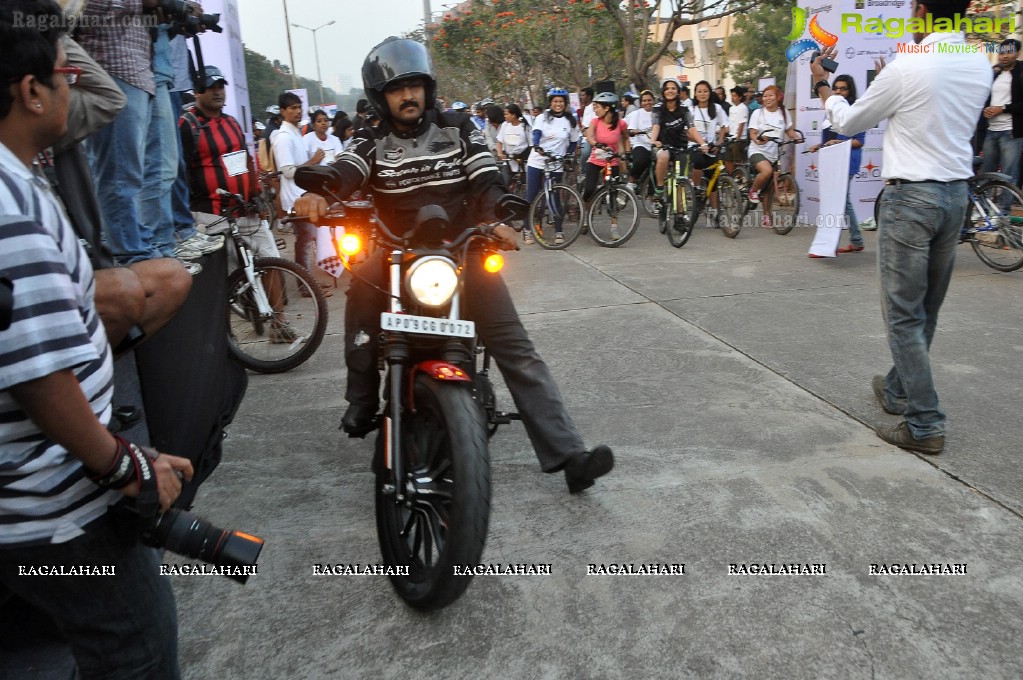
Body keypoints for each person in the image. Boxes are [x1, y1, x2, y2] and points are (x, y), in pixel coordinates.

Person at [295, 37, 613, 493]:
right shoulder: (370, 138)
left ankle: (570, 456)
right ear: (380, 97)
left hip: (461, 252)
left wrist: (503, 214)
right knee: (360, 298)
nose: (407, 96)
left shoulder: (459, 127)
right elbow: (346, 169)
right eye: (395, 89)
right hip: (394, 255)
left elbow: (486, 179)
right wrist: (319, 193)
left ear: (427, 87)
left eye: (413, 85)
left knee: (515, 347)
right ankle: (362, 398)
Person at [0, 3, 193, 677]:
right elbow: (39, 378)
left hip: (32, 502)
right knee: (134, 649)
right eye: (64, 74)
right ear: (30, 93)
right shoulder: (10, 205)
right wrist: (126, 467)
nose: (75, 85)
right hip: (55, 518)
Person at [812, 0, 989, 455]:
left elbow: (849, 120)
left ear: (922, 11)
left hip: (912, 198)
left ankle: (926, 423)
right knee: (925, 308)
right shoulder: (978, 63)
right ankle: (897, 390)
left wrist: (824, 86)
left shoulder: (908, 66)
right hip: (955, 196)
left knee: (904, 315)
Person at [271, 91, 330, 295]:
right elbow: (287, 171)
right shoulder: (283, 138)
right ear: (282, 111)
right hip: (295, 197)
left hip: (304, 194)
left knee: (309, 238)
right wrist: (312, 163)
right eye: (292, 108)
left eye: (298, 107)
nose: (297, 111)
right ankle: (305, 286)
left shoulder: (296, 134)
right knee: (305, 240)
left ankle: (308, 282)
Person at [806, 74, 867, 256]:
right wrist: (821, 145)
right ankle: (855, 240)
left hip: (846, 162)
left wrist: (838, 144)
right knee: (843, 201)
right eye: (836, 88)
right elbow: (830, 139)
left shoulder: (855, 110)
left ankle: (829, 245)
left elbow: (859, 141)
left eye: (843, 88)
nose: (839, 91)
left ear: (850, 91)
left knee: (840, 202)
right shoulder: (831, 109)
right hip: (832, 161)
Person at [523, 86, 581, 245]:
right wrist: (536, 145)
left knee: (555, 197)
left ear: (565, 103)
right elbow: (537, 133)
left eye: (561, 101)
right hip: (538, 160)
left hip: (556, 163)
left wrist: (568, 154)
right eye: (555, 101)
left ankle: (558, 231)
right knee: (532, 195)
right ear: (550, 103)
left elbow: (574, 141)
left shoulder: (571, 121)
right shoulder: (542, 117)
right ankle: (527, 229)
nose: (558, 104)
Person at [746, 84, 801, 228]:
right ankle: (752, 191)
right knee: (767, 171)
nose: (767, 98)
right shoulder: (758, 113)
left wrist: (796, 137)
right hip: (757, 151)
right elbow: (752, 133)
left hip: (775, 153)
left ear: (778, 97)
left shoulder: (783, 113)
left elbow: (789, 131)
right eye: (765, 95)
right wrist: (757, 139)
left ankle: (766, 217)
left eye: (771, 95)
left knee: (770, 187)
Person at [979, 38, 1023, 208]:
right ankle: (982, 210)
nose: (1005, 56)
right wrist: (986, 110)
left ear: (1017, 53)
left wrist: (1003, 108)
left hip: (1011, 132)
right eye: (1002, 52)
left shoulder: (1020, 72)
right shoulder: (994, 73)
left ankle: (1001, 213)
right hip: (991, 131)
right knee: (986, 173)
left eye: (1009, 52)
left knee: (1008, 174)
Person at [582, 90, 631, 239]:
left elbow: (626, 138)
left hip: (612, 161)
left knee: (612, 193)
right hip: (596, 160)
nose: (595, 110)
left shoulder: (621, 123)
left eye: (597, 107)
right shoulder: (595, 122)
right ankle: (585, 217)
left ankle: (614, 227)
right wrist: (597, 144)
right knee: (589, 189)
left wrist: (626, 153)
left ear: (607, 108)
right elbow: (589, 136)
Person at [650, 78, 702, 196]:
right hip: (662, 146)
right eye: (667, 88)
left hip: (680, 147)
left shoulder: (684, 109)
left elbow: (692, 128)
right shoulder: (658, 108)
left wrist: (702, 143)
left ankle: (680, 212)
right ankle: (659, 188)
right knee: (663, 155)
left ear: (678, 92)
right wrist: (653, 140)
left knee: (681, 182)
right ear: (663, 92)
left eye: (673, 88)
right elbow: (656, 125)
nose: (670, 91)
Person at [688, 80, 729, 222]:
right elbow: (687, 131)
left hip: (711, 148)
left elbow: (724, 126)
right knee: (698, 162)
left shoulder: (717, 108)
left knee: (714, 178)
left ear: (709, 93)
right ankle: (697, 188)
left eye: (705, 91)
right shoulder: (691, 110)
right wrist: (698, 143)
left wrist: (719, 141)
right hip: (695, 146)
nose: (702, 94)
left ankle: (715, 211)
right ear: (695, 93)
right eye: (699, 91)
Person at [625, 89, 656, 189]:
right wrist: (635, 132)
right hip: (640, 144)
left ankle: (653, 194)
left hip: (655, 145)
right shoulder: (636, 114)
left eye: (649, 100)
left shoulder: (657, 113)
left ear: (653, 101)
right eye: (644, 101)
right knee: (641, 160)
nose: (647, 103)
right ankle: (631, 181)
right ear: (641, 102)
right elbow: (629, 130)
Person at [724, 85, 750, 175]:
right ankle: (732, 177)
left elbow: (741, 124)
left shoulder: (743, 108)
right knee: (727, 159)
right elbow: (730, 123)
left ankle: (741, 178)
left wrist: (738, 138)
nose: (732, 98)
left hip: (739, 140)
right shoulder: (731, 108)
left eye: (734, 96)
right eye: (732, 95)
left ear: (740, 97)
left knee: (738, 162)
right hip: (731, 138)